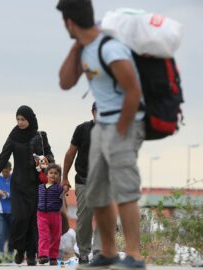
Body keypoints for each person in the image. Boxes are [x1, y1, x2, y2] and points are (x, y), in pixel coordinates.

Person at [57, 1, 146, 270]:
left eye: (65, 21)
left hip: (125, 123)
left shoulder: (110, 48)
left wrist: (120, 131)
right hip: (104, 127)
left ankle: (134, 255)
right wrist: (77, 44)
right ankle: (107, 251)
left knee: (124, 188)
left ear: (69, 22)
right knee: (96, 191)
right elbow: (65, 81)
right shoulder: (86, 49)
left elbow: (133, 91)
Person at [0, 105, 55, 265]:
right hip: (19, 184)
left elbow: (50, 157)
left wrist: (43, 161)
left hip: (35, 184)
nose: (20, 122)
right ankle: (19, 250)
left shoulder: (40, 136)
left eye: (23, 119)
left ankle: (31, 254)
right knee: (20, 219)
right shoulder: (14, 136)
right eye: (18, 119)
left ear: (30, 119)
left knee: (34, 221)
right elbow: (3, 156)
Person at [62, 102, 101, 264]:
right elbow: (70, 154)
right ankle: (84, 251)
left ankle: (100, 251)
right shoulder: (82, 130)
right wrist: (64, 177)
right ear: (93, 113)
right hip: (84, 180)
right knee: (84, 218)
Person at [37, 164, 64, 266]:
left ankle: (53, 257)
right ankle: (43, 255)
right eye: (51, 173)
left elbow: (65, 191)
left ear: (59, 176)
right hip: (41, 214)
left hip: (55, 214)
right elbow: (39, 175)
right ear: (46, 175)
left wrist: (64, 186)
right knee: (43, 235)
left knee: (56, 236)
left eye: (56, 173)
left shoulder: (59, 188)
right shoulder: (40, 187)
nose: (53, 175)